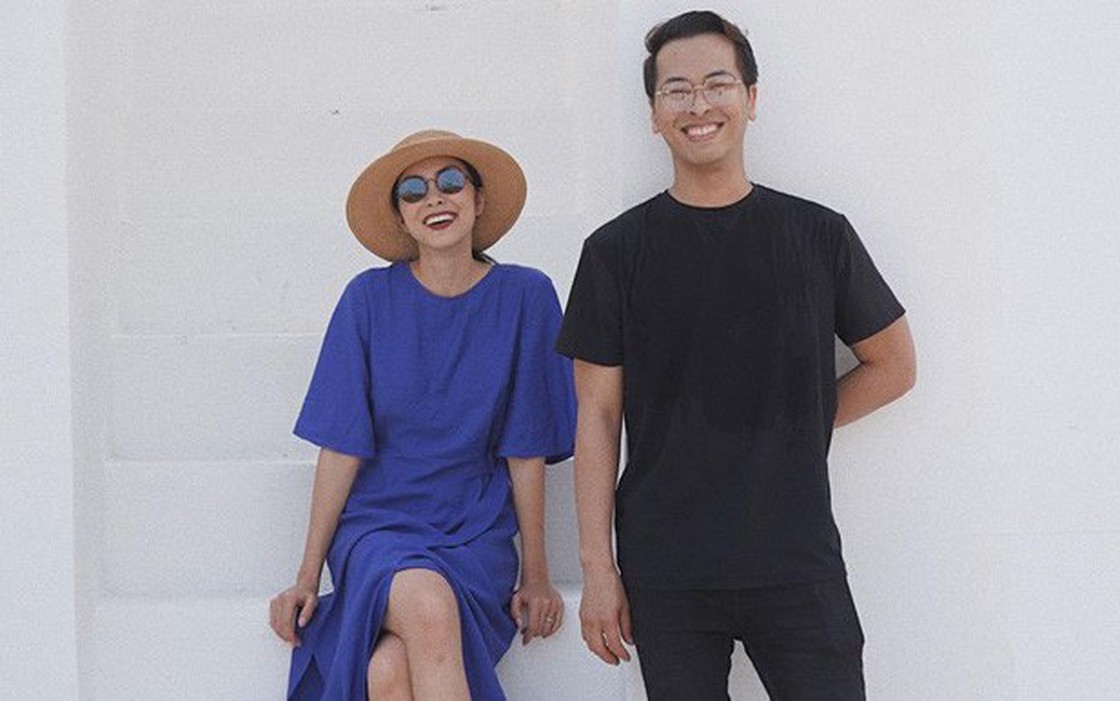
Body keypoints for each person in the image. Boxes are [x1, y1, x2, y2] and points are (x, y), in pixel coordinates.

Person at [556, 10, 917, 701]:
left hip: (796, 554)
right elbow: (596, 415)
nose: (699, 105)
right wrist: (598, 570)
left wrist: (795, 423)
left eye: (718, 84)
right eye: (677, 90)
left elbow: (895, 365)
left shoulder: (818, 236)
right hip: (667, 566)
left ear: (751, 99)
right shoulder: (614, 253)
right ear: (654, 114)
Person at [269, 129, 575, 701]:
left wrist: (536, 573)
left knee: (387, 674)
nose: (434, 198)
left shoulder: (527, 296)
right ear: (401, 217)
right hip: (378, 529)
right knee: (429, 606)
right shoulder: (367, 299)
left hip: (475, 534)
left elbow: (527, 445)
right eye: (413, 191)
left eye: (450, 182)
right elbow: (340, 445)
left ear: (478, 200)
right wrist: (307, 575)